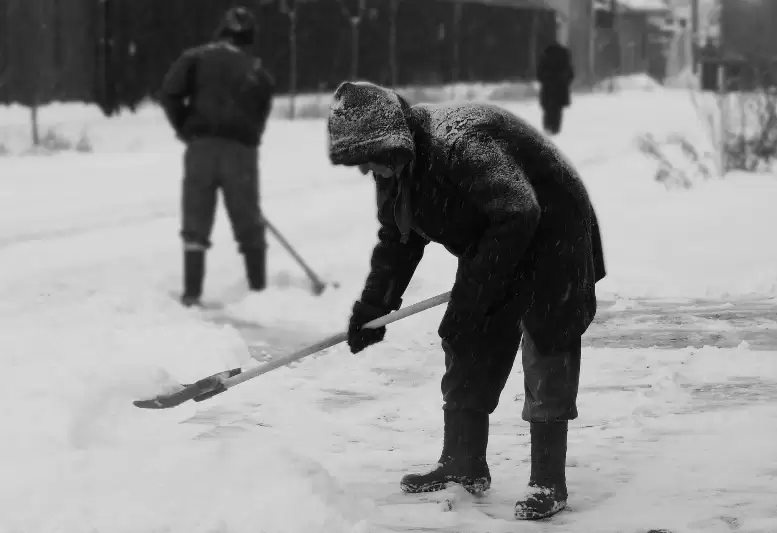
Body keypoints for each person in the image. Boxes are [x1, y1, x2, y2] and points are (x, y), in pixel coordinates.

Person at [327, 81, 605, 520]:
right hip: (497, 241)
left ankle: (548, 481)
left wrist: (474, 292)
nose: (366, 171)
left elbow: (520, 210)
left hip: (554, 237)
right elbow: (398, 241)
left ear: (392, 141)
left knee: (548, 344)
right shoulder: (396, 171)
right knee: (467, 337)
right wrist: (373, 308)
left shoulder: (460, 143)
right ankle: (463, 462)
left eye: (369, 159)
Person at [159, 6, 275, 307]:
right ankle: (259, 293)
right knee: (248, 221)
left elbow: (170, 93)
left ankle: (192, 293)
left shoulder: (195, 58)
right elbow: (261, 111)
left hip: (202, 149)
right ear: (250, 36)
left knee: (195, 220)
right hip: (240, 153)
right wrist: (248, 139)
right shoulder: (257, 71)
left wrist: (186, 128)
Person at [536, 40, 574, 135]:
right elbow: (570, 74)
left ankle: (549, 127)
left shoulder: (545, 56)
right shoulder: (563, 56)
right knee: (556, 110)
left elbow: (540, 74)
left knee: (549, 109)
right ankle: (554, 128)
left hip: (548, 89)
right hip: (559, 89)